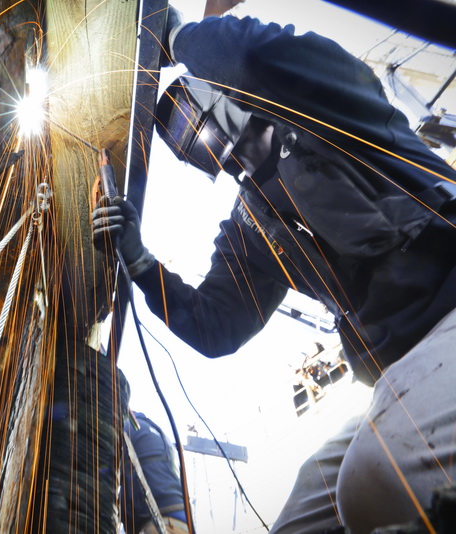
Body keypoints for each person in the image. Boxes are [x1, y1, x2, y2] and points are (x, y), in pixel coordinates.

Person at [93, 3, 456, 532]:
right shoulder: (253, 225)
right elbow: (217, 324)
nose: (187, 137)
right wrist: (144, 265)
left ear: (216, 87)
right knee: (305, 517)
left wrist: (173, 38)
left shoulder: (331, 99)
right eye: (172, 132)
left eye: (183, 111)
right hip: (399, 370)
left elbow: (252, 57)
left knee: (378, 477)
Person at [120, 410, 190, 534]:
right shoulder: (158, 435)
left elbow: (104, 480)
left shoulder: (127, 429)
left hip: (160, 522)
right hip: (184, 523)